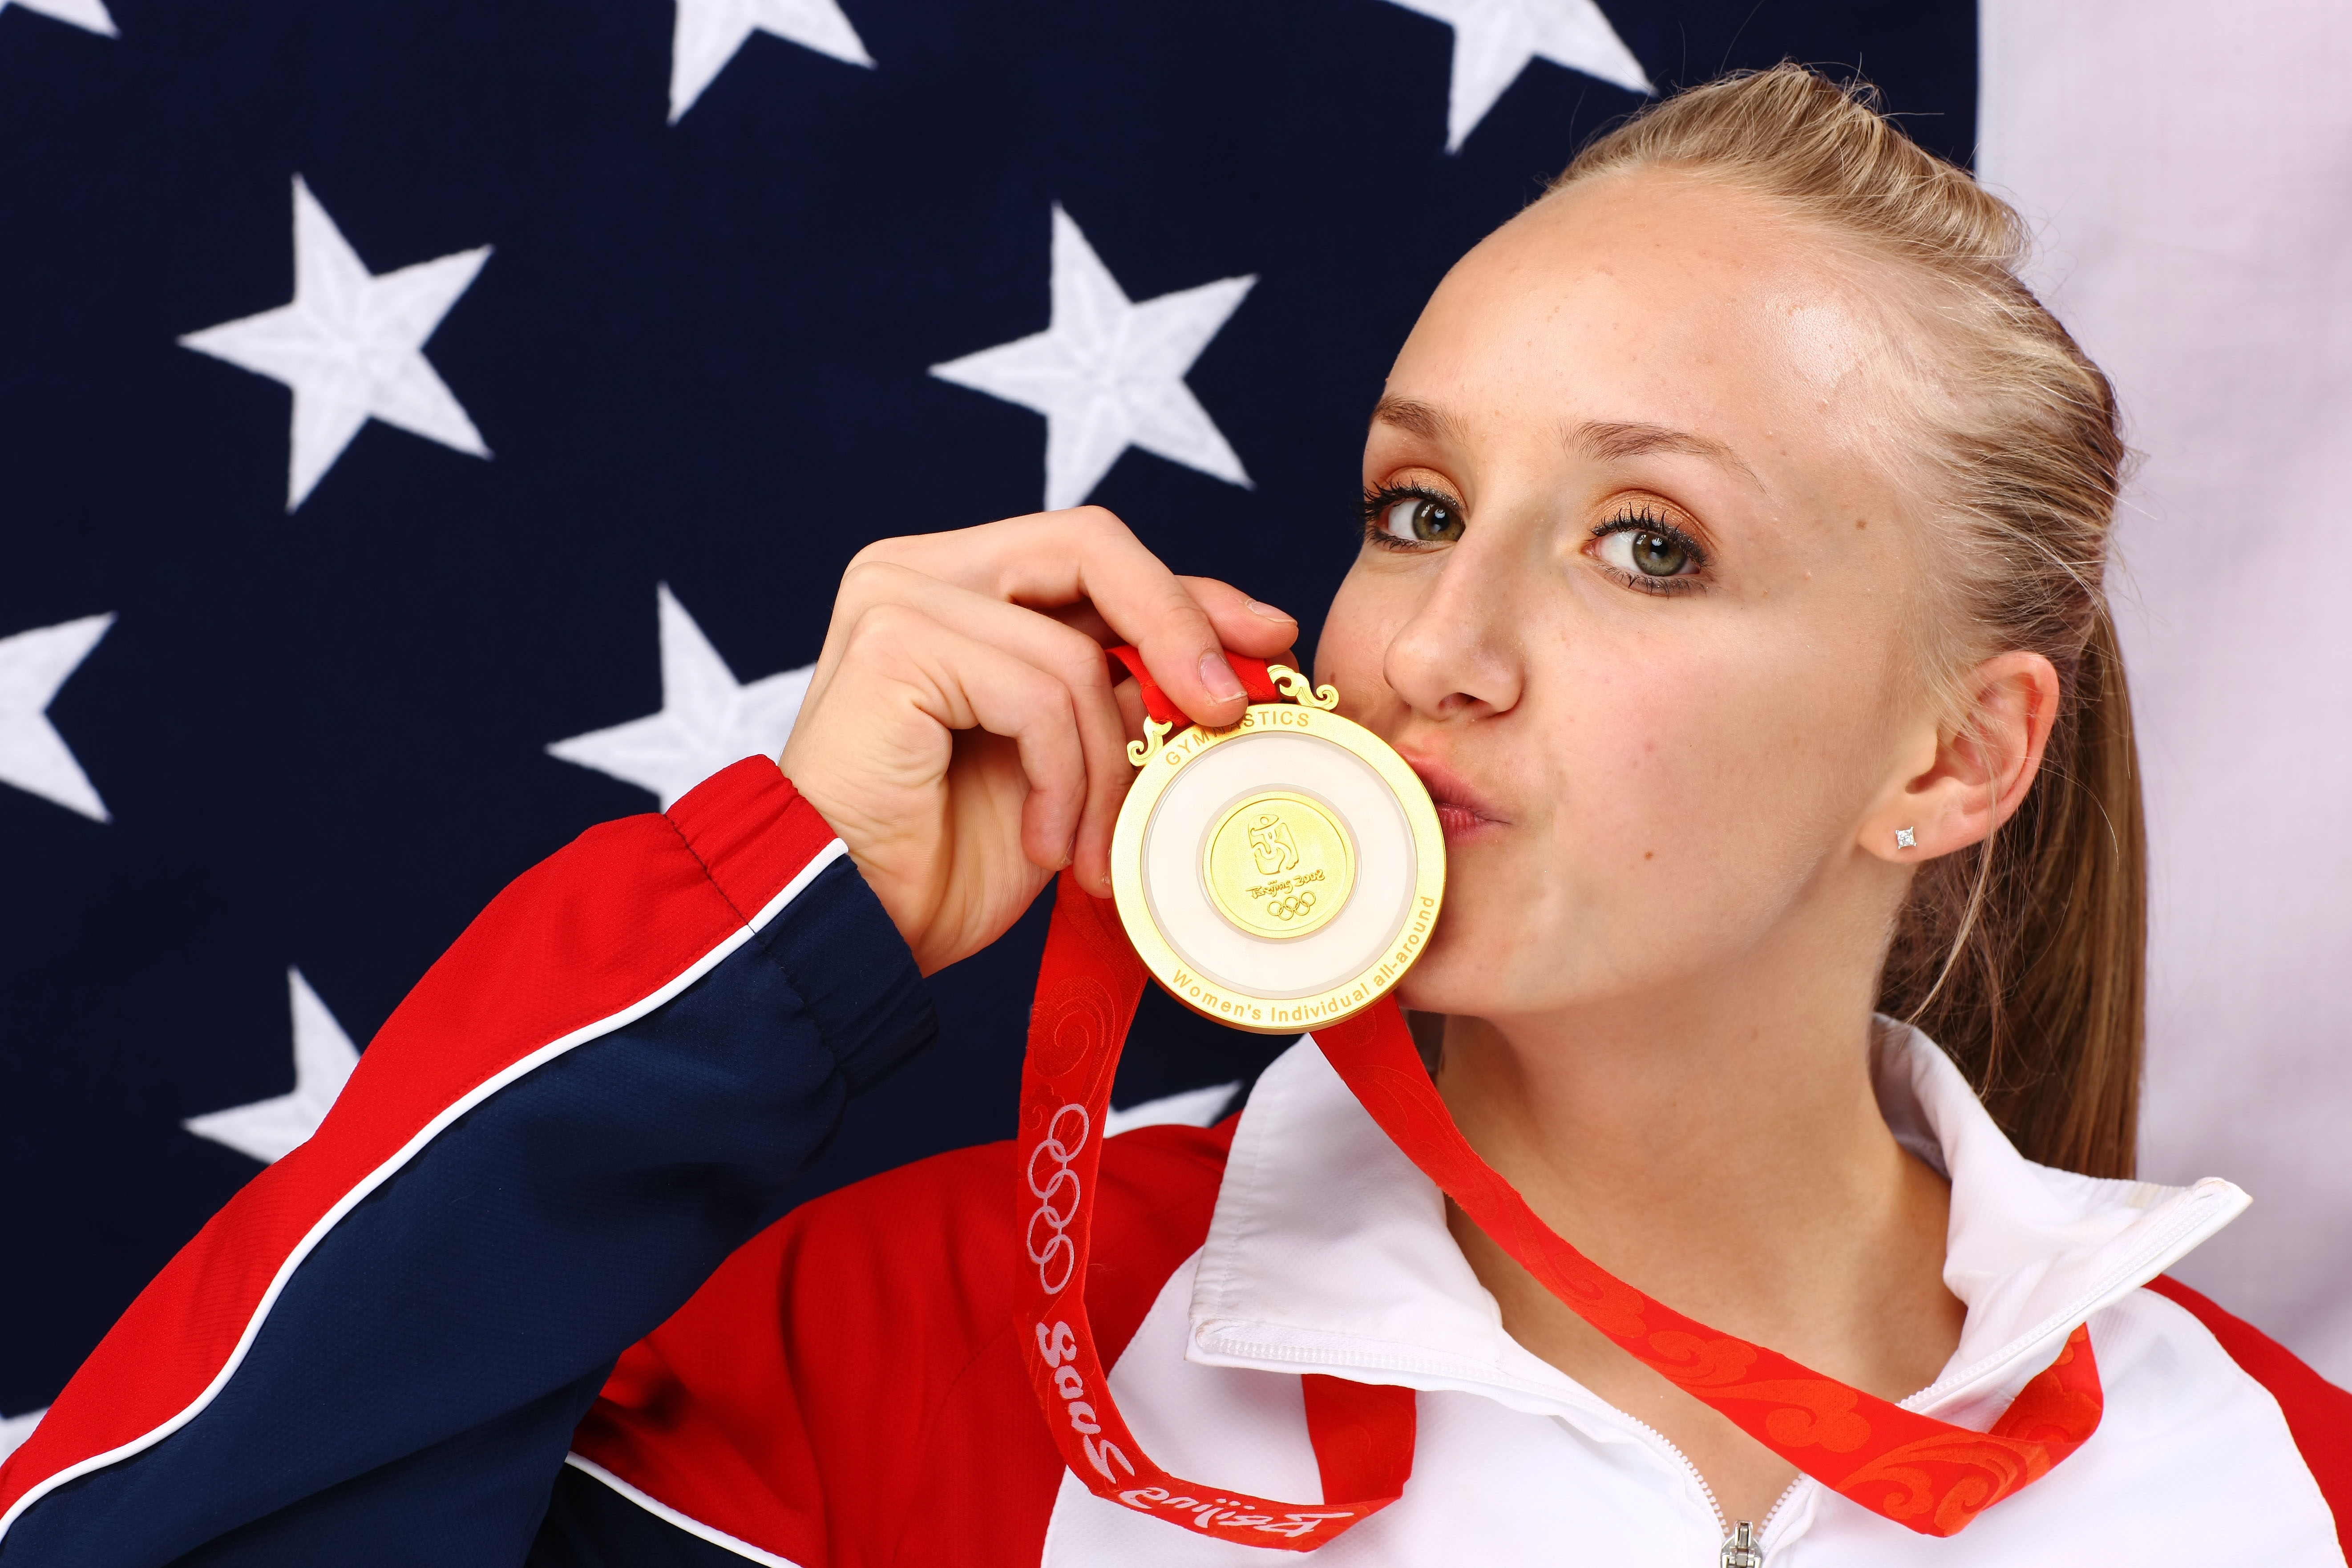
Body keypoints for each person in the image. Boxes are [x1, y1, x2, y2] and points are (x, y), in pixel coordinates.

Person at [2, 65, 2345, 1568]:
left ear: (1954, 753)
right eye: (1417, 505)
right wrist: (768, 936)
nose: (1430, 647)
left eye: (1647, 543)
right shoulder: (911, 1360)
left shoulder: (2272, 1484)